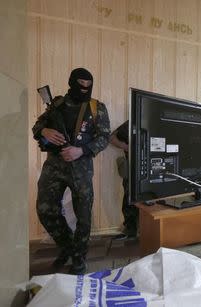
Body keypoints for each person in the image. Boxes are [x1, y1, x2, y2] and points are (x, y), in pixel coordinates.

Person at [32, 68, 110, 274]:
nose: (85, 89)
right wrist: (44, 130)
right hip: (54, 166)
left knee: (83, 215)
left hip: (81, 168)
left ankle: (79, 257)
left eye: (88, 86)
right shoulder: (56, 104)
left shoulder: (96, 108)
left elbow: (104, 137)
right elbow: (37, 126)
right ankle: (68, 246)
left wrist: (81, 150)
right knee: (45, 210)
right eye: (80, 85)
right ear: (71, 83)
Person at [110, 120, 139, 240]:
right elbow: (111, 138)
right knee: (129, 198)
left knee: (154, 201)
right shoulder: (133, 121)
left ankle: (151, 230)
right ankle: (130, 231)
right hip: (132, 167)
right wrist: (127, 147)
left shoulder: (158, 119)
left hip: (154, 167)